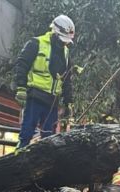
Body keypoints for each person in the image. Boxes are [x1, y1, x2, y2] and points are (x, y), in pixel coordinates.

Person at [13, 15, 75, 148]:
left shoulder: (66, 53)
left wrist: (68, 101)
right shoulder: (36, 44)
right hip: (35, 96)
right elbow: (22, 64)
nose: (64, 43)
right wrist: (21, 88)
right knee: (27, 133)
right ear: (55, 33)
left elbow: (67, 79)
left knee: (49, 138)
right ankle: (19, 157)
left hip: (52, 101)